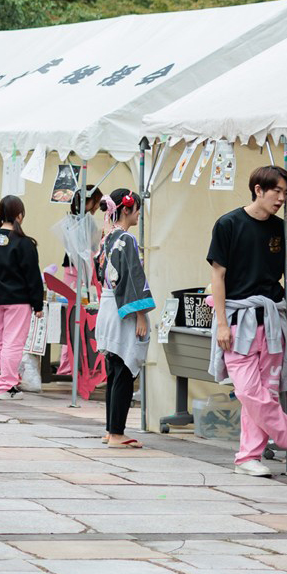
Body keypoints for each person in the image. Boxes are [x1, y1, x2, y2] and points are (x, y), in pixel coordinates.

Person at [207, 165, 287, 478]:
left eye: (285, 192)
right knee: (247, 391)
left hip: (272, 322)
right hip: (239, 321)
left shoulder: (282, 229)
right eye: (277, 191)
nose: (282, 198)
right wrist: (221, 323)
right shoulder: (228, 224)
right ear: (258, 190)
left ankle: (248, 456)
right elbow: (217, 276)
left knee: (264, 394)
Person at [95, 188, 154, 447]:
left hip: (108, 305)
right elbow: (133, 277)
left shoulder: (107, 237)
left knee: (114, 370)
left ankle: (112, 430)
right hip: (124, 310)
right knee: (124, 372)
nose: (139, 214)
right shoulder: (126, 239)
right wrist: (140, 315)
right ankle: (117, 433)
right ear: (127, 209)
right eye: (137, 209)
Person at [0, 195, 43, 399]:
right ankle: (6, 387)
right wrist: (38, 304)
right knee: (12, 343)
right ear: (20, 215)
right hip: (18, 301)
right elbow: (32, 276)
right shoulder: (24, 243)